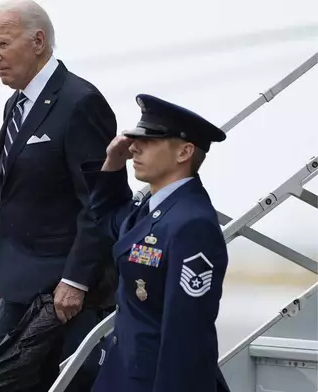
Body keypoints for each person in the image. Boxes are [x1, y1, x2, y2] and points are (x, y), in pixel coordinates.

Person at [0, 0, 120, 390]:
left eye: (2, 44)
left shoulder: (80, 102)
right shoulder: (15, 105)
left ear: (37, 41)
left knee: (63, 380)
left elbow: (99, 201)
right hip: (21, 283)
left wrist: (77, 280)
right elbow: (21, 203)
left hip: (64, 291)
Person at [81, 93, 231, 392]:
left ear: (184, 152)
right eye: (135, 139)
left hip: (153, 381)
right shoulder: (152, 208)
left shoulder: (192, 223)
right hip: (123, 371)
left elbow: (187, 334)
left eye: (148, 141)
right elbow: (105, 221)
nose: (134, 147)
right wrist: (112, 163)